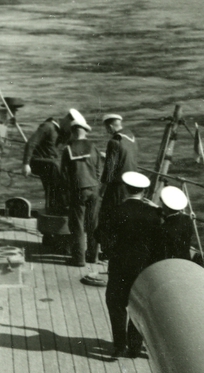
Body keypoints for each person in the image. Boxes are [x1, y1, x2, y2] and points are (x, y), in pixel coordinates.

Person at [104, 171, 160, 357]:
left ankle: (120, 345)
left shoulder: (117, 210)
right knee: (138, 306)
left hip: (119, 266)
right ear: (144, 191)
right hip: (143, 268)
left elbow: (100, 235)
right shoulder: (154, 214)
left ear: (125, 189)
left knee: (116, 304)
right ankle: (135, 346)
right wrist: (156, 207)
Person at [59, 110, 101, 267]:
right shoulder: (93, 147)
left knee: (77, 225)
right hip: (94, 188)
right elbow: (98, 169)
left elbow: (64, 175)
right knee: (93, 223)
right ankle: (93, 256)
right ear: (85, 132)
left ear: (72, 132)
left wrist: (66, 193)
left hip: (78, 190)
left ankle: (78, 259)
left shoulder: (67, 150)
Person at [96, 113, 138, 255]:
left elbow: (110, 169)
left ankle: (108, 250)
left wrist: (102, 188)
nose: (107, 131)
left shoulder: (114, 141)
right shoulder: (131, 137)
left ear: (110, 126)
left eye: (107, 128)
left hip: (117, 186)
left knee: (107, 216)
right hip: (131, 184)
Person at [22, 115, 63, 213]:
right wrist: (26, 164)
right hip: (40, 162)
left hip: (52, 164)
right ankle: (51, 210)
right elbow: (31, 143)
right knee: (52, 185)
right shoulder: (47, 127)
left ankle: (57, 208)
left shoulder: (62, 131)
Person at [156, 185, 194, 261]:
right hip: (186, 260)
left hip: (170, 263)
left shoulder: (164, 229)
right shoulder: (188, 220)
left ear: (166, 207)